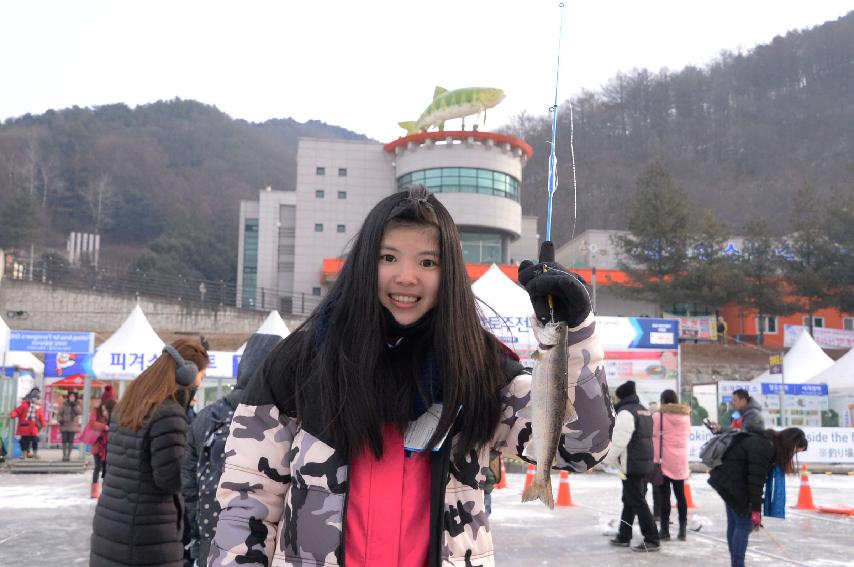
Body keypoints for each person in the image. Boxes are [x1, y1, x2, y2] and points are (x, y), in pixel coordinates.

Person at [208, 186, 614, 567]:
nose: (406, 277)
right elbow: (248, 503)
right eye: (388, 258)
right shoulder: (299, 362)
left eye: (427, 262)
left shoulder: (481, 366)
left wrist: (574, 333)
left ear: (449, 271)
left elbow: (580, 445)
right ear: (366, 263)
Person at [90, 339, 208, 567]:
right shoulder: (168, 414)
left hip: (111, 524)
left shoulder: (128, 406)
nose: (201, 383)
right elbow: (170, 480)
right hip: (147, 533)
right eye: (202, 375)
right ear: (187, 373)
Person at [182, 332, 283, 567]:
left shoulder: (207, 416)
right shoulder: (283, 419)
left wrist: (198, 535)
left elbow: (187, 485)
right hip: (264, 546)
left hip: (211, 540)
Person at [708, 427, 807, 567]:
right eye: (795, 451)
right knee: (743, 524)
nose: (793, 455)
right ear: (790, 445)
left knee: (736, 523)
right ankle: (738, 564)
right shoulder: (766, 447)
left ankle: (736, 563)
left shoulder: (767, 442)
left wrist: (755, 508)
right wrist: (755, 510)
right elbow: (755, 481)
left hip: (726, 479)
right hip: (732, 483)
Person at [604, 380, 660, 552]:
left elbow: (619, 442)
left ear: (621, 396)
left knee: (637, 501)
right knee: (630, 500)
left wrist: (605, 460)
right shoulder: (643, 410)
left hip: (632, 465)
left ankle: (652, 539)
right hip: (644, 462)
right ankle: (624, 535)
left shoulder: (626, 413)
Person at [651, 389, 691, 541]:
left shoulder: (658, 416)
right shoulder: (686, 417)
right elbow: (687, 433)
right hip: (680, 462)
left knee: (664, 497)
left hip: (663, 462)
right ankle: (682, 530)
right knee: (681, 496)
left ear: (662, 401)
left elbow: (651, 432)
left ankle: (665, 531)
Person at [87, 398, 116, 498]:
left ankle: (105, 490)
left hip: (108, 446)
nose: (104, 412)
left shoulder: (113, 417)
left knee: (106, 469)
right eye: (102, 409)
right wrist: (104, 427)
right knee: (97, 467)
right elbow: (92, 423)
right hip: (98, 446)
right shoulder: (96, 413)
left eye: (105, 410)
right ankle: (94, 490)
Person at [9, 387, 46, 459]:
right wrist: (12, 415)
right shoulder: (24, 405)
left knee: (35, 441)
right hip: (25, 427)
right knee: (24, 442)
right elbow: (17, 411)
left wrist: (43, 423)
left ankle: (35, 454)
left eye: (37, 398)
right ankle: (24, 455)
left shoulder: (37, 407)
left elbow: (40, 416)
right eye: (35, 398)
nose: (36, 400)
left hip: (33, 428)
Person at [57, 390, 83, 461]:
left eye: (73, 397)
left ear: (75, 398)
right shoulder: (64, 404)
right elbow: (59, 413)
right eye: (71, 396)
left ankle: (68, 456)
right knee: (64, 440)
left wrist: (74, 405)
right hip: (64, 425)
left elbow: (79, 412)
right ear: (68, 397)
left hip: (72, 425)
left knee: (71, 441)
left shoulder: (77, 404)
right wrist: (60, 420)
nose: (72, 398)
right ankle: (64, 455)